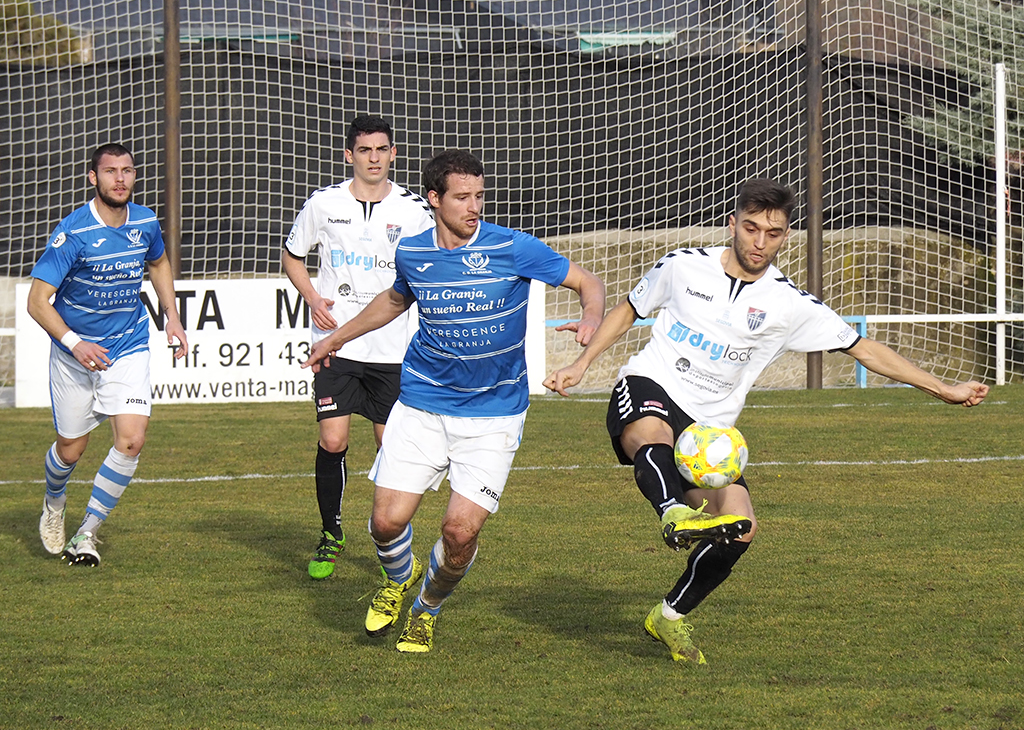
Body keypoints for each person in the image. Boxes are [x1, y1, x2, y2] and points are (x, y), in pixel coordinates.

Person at [543, 178, 989, 665]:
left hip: (709, 430)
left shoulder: (789, 303)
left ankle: (668, 617)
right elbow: (630, 310)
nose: (759, 242)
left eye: (772, 233)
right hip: (652, 384)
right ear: (732, 223)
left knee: (742, 527)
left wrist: (942, 388)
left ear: (785, 235)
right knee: (651, 434)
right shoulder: (683, 266)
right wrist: (580, 366)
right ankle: (672, 514)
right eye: (751, 228)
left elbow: (863, 349)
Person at [302, 149, 605, 652]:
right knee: (385, 523)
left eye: (479, 196)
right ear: (434, 199)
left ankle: (426, 608)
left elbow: (586, 282)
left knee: (460, 532)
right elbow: (397, 299)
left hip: (494, 415)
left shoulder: (513, 247)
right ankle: (398, 579)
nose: (474, 207)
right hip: (421, 403)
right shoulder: (414, 252)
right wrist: (337, 338)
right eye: (462, 197)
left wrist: (591, 316)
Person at [283, 115, 434, 580]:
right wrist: (312, 298)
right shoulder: (324, 204)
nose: (374, 158)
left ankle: (387, 536)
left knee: (391, 449)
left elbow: (436, 259)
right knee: (333, 440)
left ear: (392, 154)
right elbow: (292, 255)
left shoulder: (413, 210)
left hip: (393, 351)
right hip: (336, 344)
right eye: (364, 150)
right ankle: (331, 534)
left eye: (381, 149)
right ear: (349, 155)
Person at [29, 143, 188, 568]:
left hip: (128, 343)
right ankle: (54, 501)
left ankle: (87, 532)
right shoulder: (73, 232)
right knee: (71, 450)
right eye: (110, 171)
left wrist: (171, 316)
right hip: (75, 354)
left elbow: (158, 263)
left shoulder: (146, 221)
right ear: (92, 178)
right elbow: (38, 301)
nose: (120, 179)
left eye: (127, 171)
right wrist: (74, 344)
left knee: (132, 439)